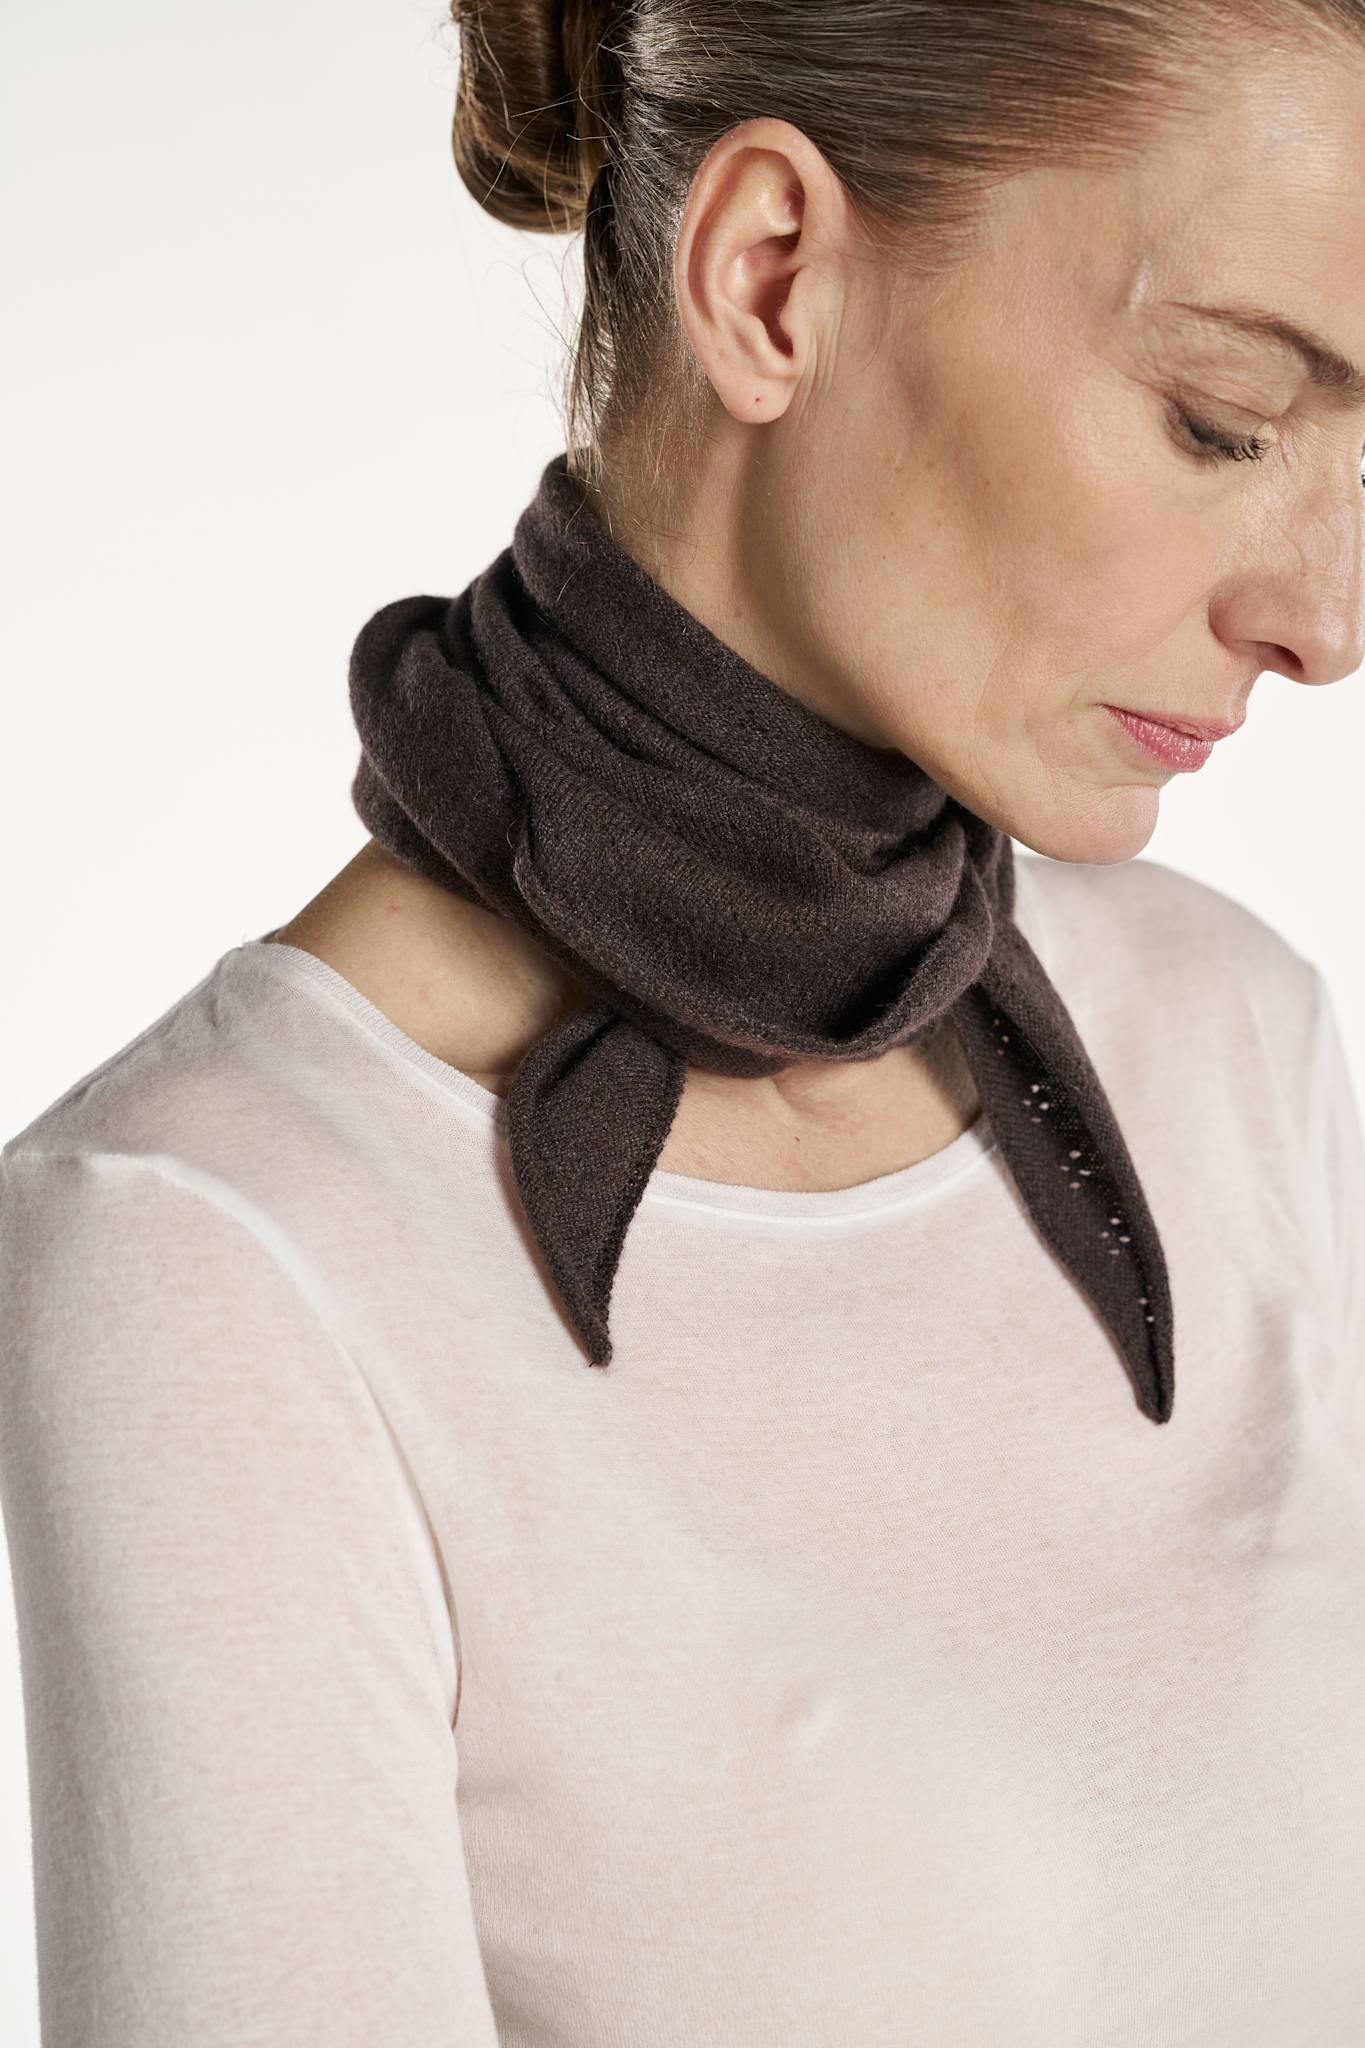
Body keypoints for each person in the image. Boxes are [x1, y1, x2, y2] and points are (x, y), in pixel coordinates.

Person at [3, 3, 1365, 2042]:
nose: (1325, 623)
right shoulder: (220, 1252)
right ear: (768, 277)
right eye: (1221, 420)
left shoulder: (1231, 1033)